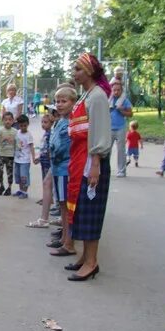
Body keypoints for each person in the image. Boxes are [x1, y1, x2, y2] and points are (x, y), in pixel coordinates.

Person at [65, 53, 112, 281]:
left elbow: (101, 133)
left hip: (92, 163)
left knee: (91, 212)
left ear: (90, 71)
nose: (74, 73)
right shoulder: (88, 95)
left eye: (78, 69)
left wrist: (95, 163)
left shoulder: (98, 97)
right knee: (82, 211)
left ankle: (92, 262)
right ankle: (86, 257)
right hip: (82, 160)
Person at [47, 86, 76, 257]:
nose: (59, 104)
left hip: (65, 169)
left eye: (64, 101)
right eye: (57, 101)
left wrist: (52, 151)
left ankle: (69, 242)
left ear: (73, 103)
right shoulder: (59, 122)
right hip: (58, 169)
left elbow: (59, 147)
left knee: (66, 207)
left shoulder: (69, 124)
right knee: (62, 205)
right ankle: (65, 237)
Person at [108, 79, 133, 178]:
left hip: (120, 128)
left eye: (118, 90)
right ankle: (105, 170)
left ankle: (121, 171)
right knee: (106, 150)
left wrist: (122, 110)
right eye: (114, 90)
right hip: (109, 128)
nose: (116, 92)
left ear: (121, 91)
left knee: (121, 150)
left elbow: (130, 114)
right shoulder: (108, 100)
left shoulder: (124, 101)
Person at [13, 114, 36, 199]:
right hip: (17, 159)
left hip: (25, 160)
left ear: (27, 124)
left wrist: (33, 157)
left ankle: (25, 191)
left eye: (25, 125)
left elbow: (31, 147)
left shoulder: (28, 135)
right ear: (18, 125)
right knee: (18, 175)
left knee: (24, 176)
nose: (23, 127)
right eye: (21, 125)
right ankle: (21, 190)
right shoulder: (17, 133)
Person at [0, 111, 16, 196]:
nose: (7, 121)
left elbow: (17, 143)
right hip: (1, 154)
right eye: (5, 120)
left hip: (10, 155)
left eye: (10, 120)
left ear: (13, 121)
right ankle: (1, 185)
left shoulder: (15, 131)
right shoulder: (0, 130)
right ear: (3, 121)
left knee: (10, 172)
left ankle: (9, 187)